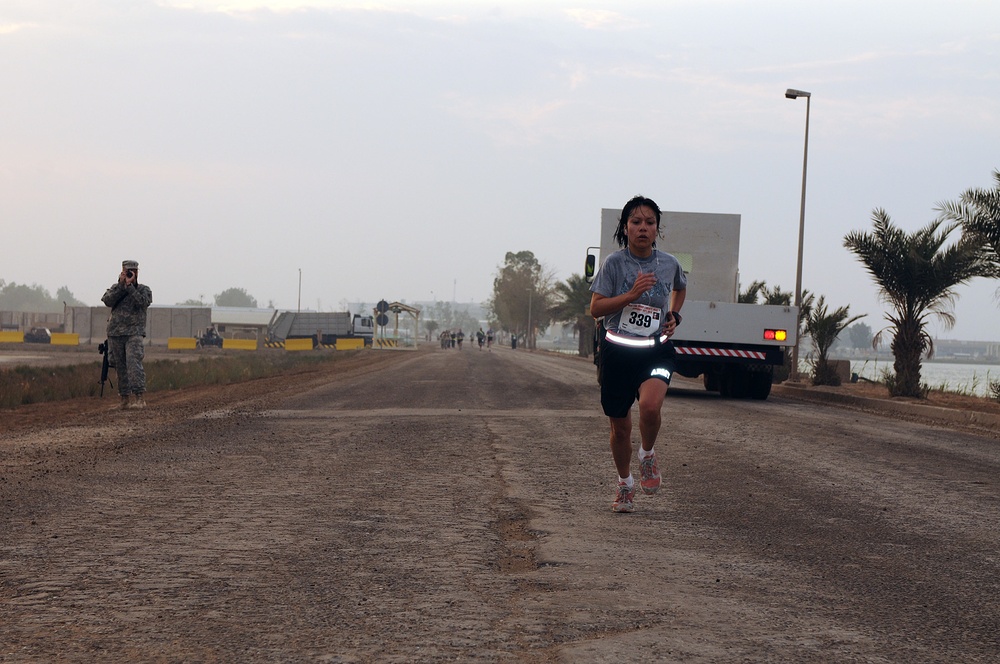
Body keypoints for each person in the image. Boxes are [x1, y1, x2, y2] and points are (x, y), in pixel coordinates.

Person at [589, 196, 687, 513]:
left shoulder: (669, 264)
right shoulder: (614, 264)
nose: (643, 228)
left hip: (655, 350)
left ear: (657, 228)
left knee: (649, 405)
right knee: (620, 428)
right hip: (617, 350)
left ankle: (647, 455)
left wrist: (673, 314)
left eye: (649, 222)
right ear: (625, 227)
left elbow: (680, 287)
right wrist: (630, 294)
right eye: (636, 222)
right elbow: (596, 308)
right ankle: (625, 485)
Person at [101, 259, 153, 410]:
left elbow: (143, 302)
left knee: (133, 363)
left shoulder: (143, 290)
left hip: (134, 333)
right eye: (128, 271)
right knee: (120, 366)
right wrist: (121, 285)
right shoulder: (116, 288)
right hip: (115, 333)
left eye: (133, 271)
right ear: (122, 271)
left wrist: (130, 287)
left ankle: (139, 398)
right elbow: (107, 300)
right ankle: (124, 399)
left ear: (137, 273)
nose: (131, 273)